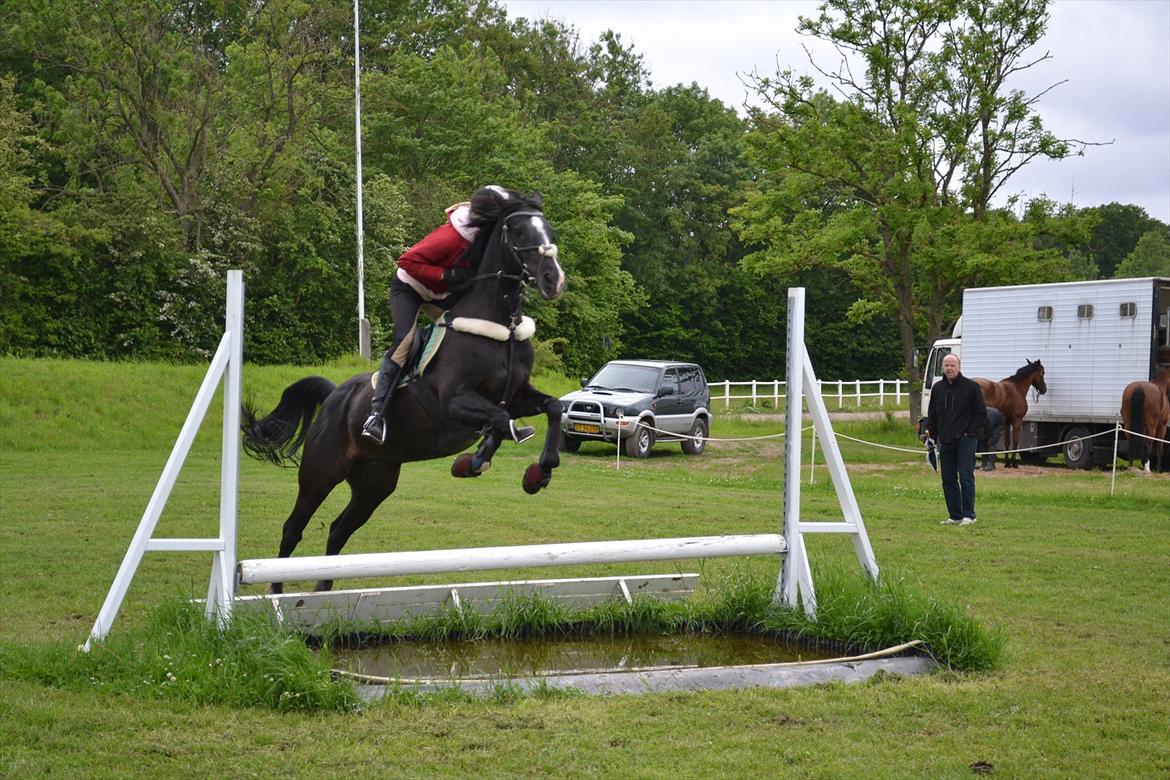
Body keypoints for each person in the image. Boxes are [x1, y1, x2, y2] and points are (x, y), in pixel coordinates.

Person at [361, 189, 494, 443]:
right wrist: (444, 275)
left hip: (439, 295)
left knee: (472, 332)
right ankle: (376, 415)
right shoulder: (448, 238)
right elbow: (406, 261)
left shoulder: (481, 239)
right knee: (405, 341)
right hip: (409, 288)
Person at [925, 354, 987, 526]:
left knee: (966, 477)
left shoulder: (971, 387)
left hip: (966, 440)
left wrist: (969, 432)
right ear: (942, 367)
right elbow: (932, 415)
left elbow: (981, 413)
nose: (949, 368)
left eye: (952, 365)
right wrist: (931, 437)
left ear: (959, 367)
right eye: (946, 365)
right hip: (946, 440)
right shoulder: (937, 388)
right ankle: (955, 515)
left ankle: (969, 515)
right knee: (948, 479)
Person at [979, 406, 1005, 471]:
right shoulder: (980, 414)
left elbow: (989, 428)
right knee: (983, 442)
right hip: (991, 425)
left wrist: (984, 436)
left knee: (991, 442)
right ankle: (984, 464)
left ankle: (991, 464)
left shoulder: (989, 415)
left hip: (997, 426)